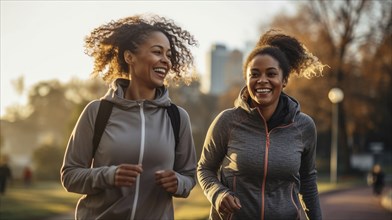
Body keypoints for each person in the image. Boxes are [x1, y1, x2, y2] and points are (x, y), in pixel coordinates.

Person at [61, 14, 198, 220]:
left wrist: (178, 183)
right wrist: (109, 175)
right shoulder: (97, 112)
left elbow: (189, 176)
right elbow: (70, 175)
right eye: (157, 52)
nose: (166, 61)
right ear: (129, 57)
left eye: (169, 55)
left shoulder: (177, 117)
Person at [197, 29, 326, 220]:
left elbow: (307, 180)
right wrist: (218, 194)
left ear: (284, 80)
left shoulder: (303, 126)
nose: (262, 80)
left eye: (271, 73)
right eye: (254, 74)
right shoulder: (227, 121)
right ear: (247, 79)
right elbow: (204, 168)